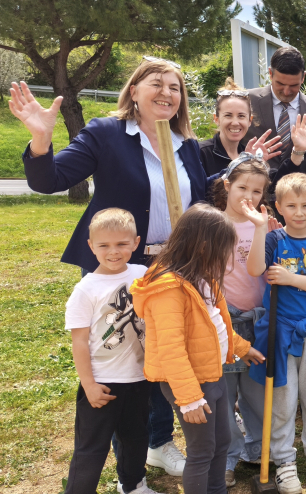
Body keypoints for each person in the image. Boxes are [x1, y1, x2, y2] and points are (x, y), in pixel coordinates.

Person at [15, 59, 220, 477]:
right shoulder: (106, 133)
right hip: (120, 265)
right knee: (123, 357)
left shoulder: (184, 142)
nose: (167, 93)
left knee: (164, 350)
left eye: (175, 87)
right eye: (156, 83)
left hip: (172, 266)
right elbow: (49, 180)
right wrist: (40, 139)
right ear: (134, 91)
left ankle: (158, 441)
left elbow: (199, 198)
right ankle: (133, 450)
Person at [131, 205, 265, 493]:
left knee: (221, 443)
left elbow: (215, 325)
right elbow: (171, 349)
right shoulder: (168, 289)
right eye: (224, 249)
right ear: (204, 247)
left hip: (211, 373)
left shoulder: (202, 278)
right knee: (202, 450)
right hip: (190, 383)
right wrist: (190, 399)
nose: (227, 257)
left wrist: (242, 348)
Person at [248, 173, 306, 493]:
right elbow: (255, 269)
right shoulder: (274, 240)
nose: (299, 212)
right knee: (283, 400)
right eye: (291, 206)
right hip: (281, 332)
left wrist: (291, 278)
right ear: (279, 207)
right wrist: (260, 228)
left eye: (305, 205)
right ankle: (284, 460)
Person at [64, 209, 159, 494]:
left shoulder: (143, 274)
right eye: (104, 245)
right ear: (91, 246)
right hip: (102, 384)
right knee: (91, 448)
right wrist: (89, 385)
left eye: (121, 244)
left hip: (138, 378)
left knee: (136, 439)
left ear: (136, 242)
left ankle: (133, 485)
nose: (113, 252)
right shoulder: (86, 289)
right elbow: (79, 342)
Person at [208, 155, 273, 485]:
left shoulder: (266, 224)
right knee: (224, 394)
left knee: (256, 390)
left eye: (257, 191)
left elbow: (260, 269)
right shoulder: (212, 224)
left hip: (259, 319)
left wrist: (262, 228)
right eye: (242, 188)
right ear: (227, 185)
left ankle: (259, 449)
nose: (249, 196)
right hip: (224, 321)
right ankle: (228, 455)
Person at [246, 46, 306, 176]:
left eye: (294, 85)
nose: (286, 92)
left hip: (297, 188)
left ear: (303, 77)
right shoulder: (247, 101)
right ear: (270, 73)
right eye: (280, 84)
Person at [198, 77, 298, 177]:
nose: (235, 122)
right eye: (228, 115)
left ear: (250, 120)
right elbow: (201, 186)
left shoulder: (249, 154)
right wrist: (241, 165)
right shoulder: (201, 152)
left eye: (241, 116)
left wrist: (298, 151)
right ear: (216, 119)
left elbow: (275, 184)